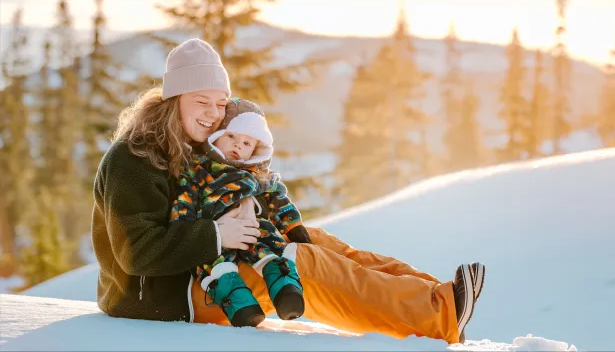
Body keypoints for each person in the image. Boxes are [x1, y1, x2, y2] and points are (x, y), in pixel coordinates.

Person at [92, 37, 485, 345]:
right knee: (303, 264)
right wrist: (218, 234)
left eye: (220, 103)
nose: (213, 114)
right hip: (165, 298)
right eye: (201, 102)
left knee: (314, 240)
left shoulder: (195, 140)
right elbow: (135, 253)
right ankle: (439, 317)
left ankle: (440, 295)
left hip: (207, 263)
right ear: (173, 99)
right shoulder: (134, 156)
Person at [169, 97, 309, 327]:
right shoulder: (199, 168)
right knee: (214, 265)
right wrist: (184, 227)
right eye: (231, 137)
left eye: (246, 143)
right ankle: (240, 305)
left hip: (252, 227)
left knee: (270, 243)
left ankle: (285, 289)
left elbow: (278, 199)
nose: (237, 146)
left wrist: (293, 226)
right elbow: (184, 200)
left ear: (255, 150)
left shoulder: (258, 173)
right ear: (217, 135)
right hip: (215, 231)